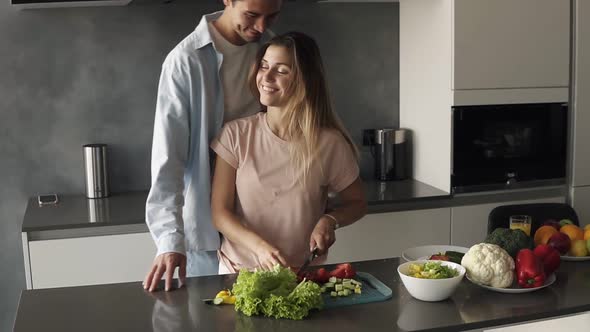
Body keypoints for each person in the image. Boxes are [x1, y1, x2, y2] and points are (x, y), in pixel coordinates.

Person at [144, 0, 283, 292]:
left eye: (271, 16)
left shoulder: (272, 51)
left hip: (267, 226)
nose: (261, 27)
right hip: (208, 232)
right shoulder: (185, 61)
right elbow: (168, 158)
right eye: (252, 15)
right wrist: (169, 241)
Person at [210, 32, 367, 273]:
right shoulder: (235, 135)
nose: (267, 77)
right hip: (237, 272)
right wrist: (260, 248)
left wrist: (330, 220)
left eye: (281, 70)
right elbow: (220, 214)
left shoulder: (330, 144)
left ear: (305, 80)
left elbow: (357, 203)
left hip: (302, 274)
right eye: (264, 66)